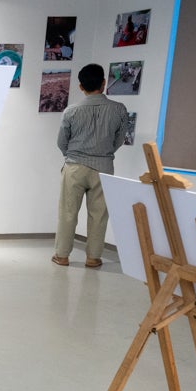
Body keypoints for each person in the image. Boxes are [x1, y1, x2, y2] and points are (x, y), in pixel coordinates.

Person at [52, 63, 130, 268]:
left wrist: (71, 155)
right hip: (103, 167)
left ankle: (62, 255)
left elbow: (62, 141)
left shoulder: (71, 111)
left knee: (68, 212)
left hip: (75, 166)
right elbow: (119, 139)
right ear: (104, 83)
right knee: (99, 214)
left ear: (80, 86)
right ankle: (93, 257)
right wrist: (105, 153)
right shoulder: (119, 109)